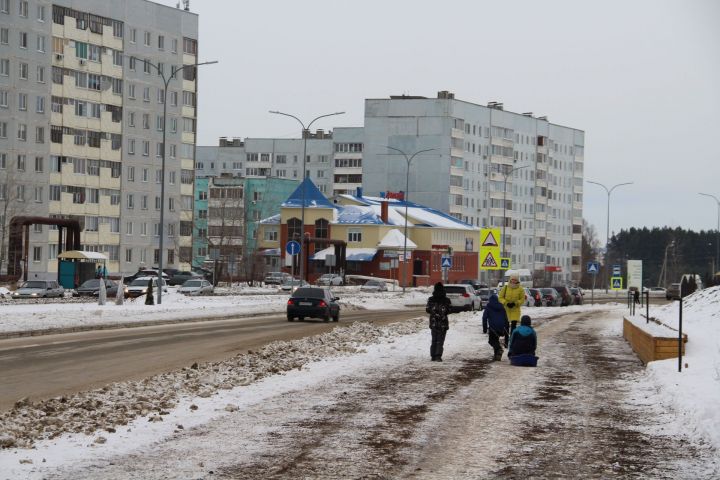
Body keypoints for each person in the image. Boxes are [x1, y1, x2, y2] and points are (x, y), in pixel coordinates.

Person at [426, 282, 451, 362]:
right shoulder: (446, 300)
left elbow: (427, 309)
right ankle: (438, 356)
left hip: (433, 322)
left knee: (434, 339)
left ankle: (433, 356)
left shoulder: (431, 299)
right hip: (443, 322)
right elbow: (449, 310)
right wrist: (442, 313)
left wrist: (434, 313)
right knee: (440, 340)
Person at [498, 275, 526, 346]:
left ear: (517, 281)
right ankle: (506, 342)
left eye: (515, 280)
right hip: (506, 310)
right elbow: (500, 297)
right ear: (510, 280)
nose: (513, 281)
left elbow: (522, 299)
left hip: (515, 310)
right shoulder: (505, 287)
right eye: (512, 280)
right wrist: (506, 303)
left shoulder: (520, 289)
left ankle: (512, 342)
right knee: (506, 327)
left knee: (513, 327)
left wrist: (515, 303)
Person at [482, 294, 509, 361]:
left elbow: (484, 318)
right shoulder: (502, 307)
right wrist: (506, 328)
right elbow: (506, 318)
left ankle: (499, 349)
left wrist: (485, 329)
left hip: (493, 327)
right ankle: (496, 355)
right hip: (501, 327)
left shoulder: (488, 306)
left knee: (491, 341)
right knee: (495, 340)